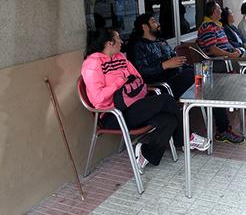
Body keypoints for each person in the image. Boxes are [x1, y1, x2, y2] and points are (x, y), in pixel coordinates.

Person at [81, 28, 210, 173]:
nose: (121, 41)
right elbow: (97, 98)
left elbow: (138, 78)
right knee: (166, 100)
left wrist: (127, 84)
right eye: (118, 38)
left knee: (169, 120)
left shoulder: (120, 58)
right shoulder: (92, 64)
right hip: (113, 114)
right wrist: (119, 82)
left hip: (133, 104)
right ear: (109, 43)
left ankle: (145, 153)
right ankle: (187, 138)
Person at [128, 13, 244, 145]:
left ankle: (223, 128)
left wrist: (181, 63)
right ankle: (222, 130)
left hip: (178, 76)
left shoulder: (161, 41)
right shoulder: (137, 46)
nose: (158, 24)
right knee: (203, 80)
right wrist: (164, 65)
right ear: (144, 26)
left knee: (209, 78)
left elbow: (174, 60)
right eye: (153, 21)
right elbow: (141, 73)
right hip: (162, 86)